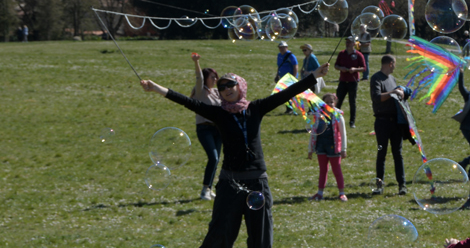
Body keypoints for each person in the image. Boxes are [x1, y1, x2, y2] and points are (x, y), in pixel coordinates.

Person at [139, 63, 330, 248]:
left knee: (261, 239)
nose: (226, 89)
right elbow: (187, 101)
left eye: (231, 84)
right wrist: (156, 88)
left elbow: (287, 93)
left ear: (240, 86)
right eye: (222, 87)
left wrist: (315, 75)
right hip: (229, 184)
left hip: (257, 182)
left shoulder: (256, 108)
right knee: (219, 236)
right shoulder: (219, 114)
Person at [370, 54, 408, 196]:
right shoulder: (376, 78)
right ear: (390, 64)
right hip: (382, 122)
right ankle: (379, 186)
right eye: (395, 63)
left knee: (398, 154)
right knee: (382, 154)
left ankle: (402, 185)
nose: (395, 66)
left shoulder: (392, 79)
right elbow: (376, 97)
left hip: (395, 122)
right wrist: (393, 92)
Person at [190, 53, 223, 201]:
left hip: (218, 129)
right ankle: (204, 191)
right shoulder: (200, 91)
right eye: (212, 77)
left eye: (216, 77)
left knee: (216, 160)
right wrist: (197, 62)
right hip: (204, 129)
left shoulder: (216, 92)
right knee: (213, 157)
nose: (215, 79)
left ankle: (209, 189)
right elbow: (199, 78)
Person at [307, 93, 348, 201]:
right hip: (321, 146)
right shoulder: (318, 115)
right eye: (327, 102)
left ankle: (342, 193)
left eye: (331, 102)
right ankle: (320, 193)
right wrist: (310, 149)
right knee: (323, 170)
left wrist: (343, 149)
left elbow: (343, 133)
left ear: (335, 103)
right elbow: (313, 132)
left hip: (333, 147)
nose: (329, 104)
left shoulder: (338, 115)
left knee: (337, 170)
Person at [334, 36, 366, 128]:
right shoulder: (341, 53)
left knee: (352, 102)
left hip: (353, 81)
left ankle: (352, 122)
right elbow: (336, 65)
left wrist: (355, 69)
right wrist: (341, 68)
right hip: (343, 81)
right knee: (338, 101)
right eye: (347, 42)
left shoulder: (359, 55)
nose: (347, 44)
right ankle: (335, 120)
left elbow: (364, 68)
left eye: (349, 42)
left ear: (353, 44)